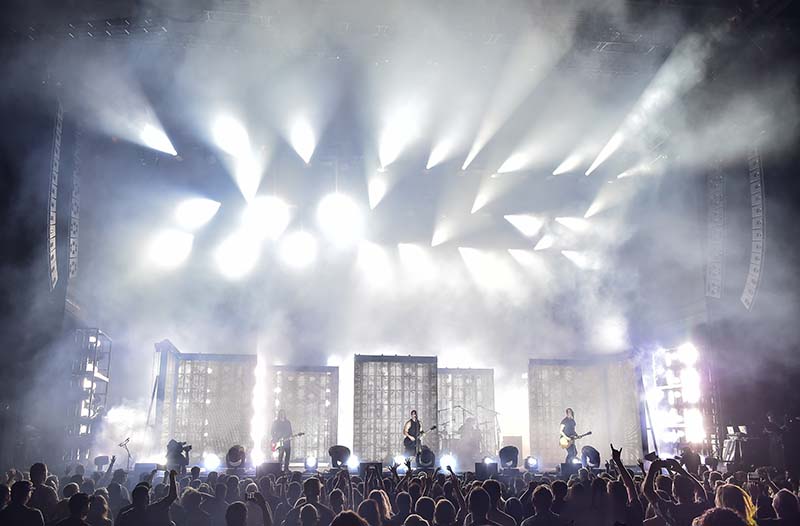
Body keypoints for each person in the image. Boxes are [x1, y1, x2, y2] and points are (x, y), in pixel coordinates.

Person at [643, 458, 709, 526]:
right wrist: (681, 471)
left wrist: (652, 469)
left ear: (674, 492)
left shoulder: (672, 511)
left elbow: (648, 491)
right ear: (692, 490)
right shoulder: (701, 507)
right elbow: (700, 490)